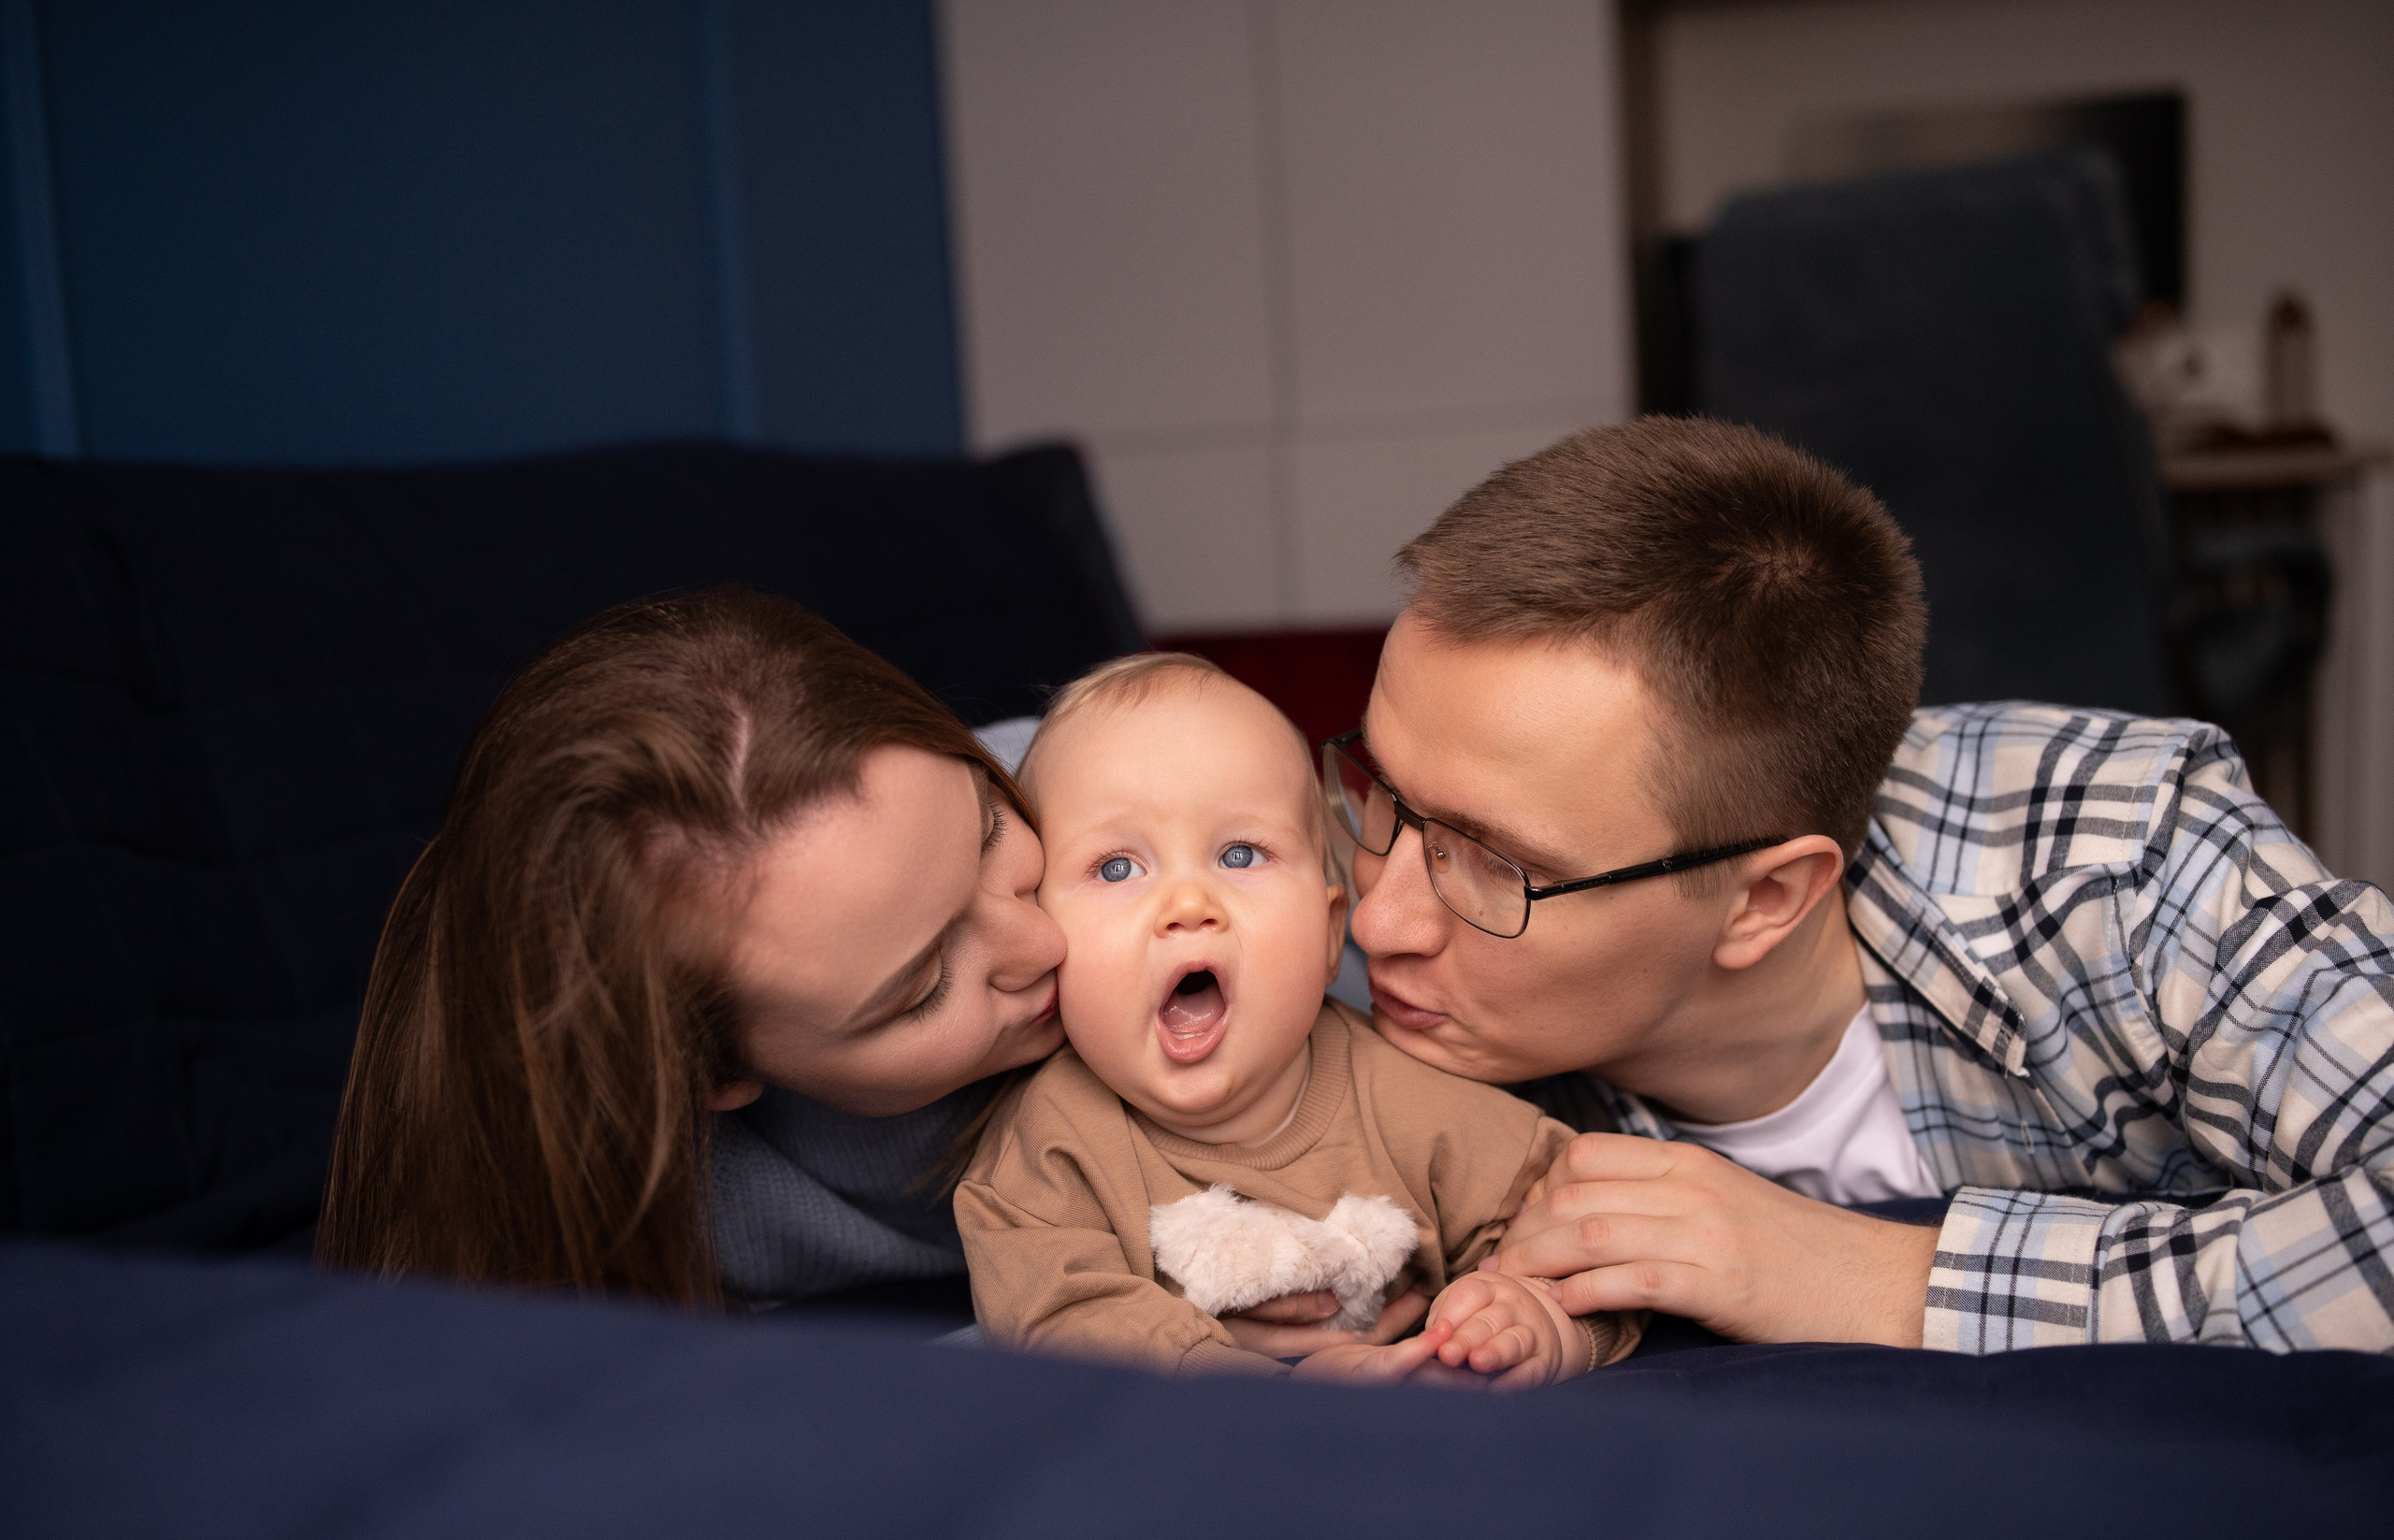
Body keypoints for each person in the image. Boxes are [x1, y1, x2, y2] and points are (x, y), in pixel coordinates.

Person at [1245, 415, 2394, 1359]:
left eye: (1496, 864)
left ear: (1764, 899)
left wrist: (1892, 1278)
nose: (1378, 918)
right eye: (1377, 790)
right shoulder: (1321, 938)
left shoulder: (2122, 860)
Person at [317, 585, 1068, 1303]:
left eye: (990, 830)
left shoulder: (1107, 783)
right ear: (716, 1073)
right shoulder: (648, 1215)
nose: (1045, 941)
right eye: (926, 986)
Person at [954, 655, 1637, 1384]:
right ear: (1041, 935)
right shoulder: (1049, 1151)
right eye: (1117, 867)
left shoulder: (1414, 1099)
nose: (1189, 905)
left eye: (1240, 853)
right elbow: (1056, 1319)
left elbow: (1579, 1229)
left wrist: (1527, 1315)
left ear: (1326, 932)